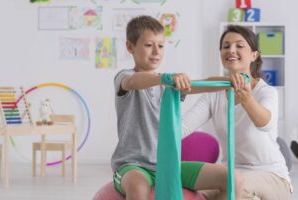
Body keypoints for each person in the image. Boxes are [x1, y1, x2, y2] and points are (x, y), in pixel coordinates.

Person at [111, 16, 243, 200]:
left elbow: (200, 84)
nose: (156, 51)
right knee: (138, 188)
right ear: (130, 47)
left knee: (231, 179)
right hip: (133, 165)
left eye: (161, 45)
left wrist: (229, 80)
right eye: (149, 45)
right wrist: (164, 78)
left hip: (169, 164)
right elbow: (133, 82)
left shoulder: (169, 85)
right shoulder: (124, 77)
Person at [182, 25, 292, 200]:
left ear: (254, 56)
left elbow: (265, 123)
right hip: (231, 173)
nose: (231, 50)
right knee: (192, 195)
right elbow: (182, 128)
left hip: (271, 176)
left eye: (239, 46)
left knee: (235, 188)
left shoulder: (266, 92)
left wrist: (247, 98)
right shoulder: (215, 93)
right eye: (226, 46)